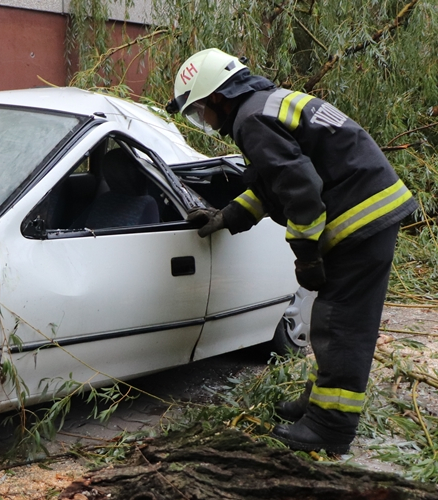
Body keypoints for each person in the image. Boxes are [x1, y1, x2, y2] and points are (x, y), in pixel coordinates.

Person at [167, 48, 416, 454]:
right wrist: (226, 216)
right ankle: (319, 401)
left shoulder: (251, 120)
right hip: (372, 211)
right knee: (333, 321)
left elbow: (301, 191)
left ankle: (330, 427)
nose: (204, 121)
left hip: (361, 221)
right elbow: (273, 186)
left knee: (341, 325)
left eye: (199, 111)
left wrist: (306, 254)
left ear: (217, 97)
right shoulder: (266, 104)